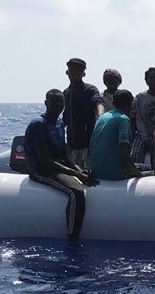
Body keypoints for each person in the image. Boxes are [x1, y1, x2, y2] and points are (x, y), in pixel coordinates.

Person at [24, 89, 99, 243]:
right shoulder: (38, 124)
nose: (58, 105)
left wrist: (79, 170)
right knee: (76, 193)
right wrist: (77, 175)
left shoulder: (58, 124)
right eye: (54, 101)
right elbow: (45, 161)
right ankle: (72, 237)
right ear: (46, 103)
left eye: (61, 102)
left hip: (57, 167)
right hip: (41, 170)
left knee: (89, 175)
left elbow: (65, 155)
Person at [88, 89, 147, 181]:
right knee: (149, 168)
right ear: (131, 104)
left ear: (113, 102)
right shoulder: (123, 119)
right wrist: (138, 174)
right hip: (115, 174)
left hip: (96, 171)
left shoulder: (101, 118)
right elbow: (123, 150)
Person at [63, 58, 105, 170]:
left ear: (84, 74)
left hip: (88, 144)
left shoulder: (90, 89)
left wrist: (101, 115)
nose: (75, 73)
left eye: (79, 71)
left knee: (91, 173)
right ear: (67, 72)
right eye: (72, 70)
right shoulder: (66, 93)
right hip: (72, 144)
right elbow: (65, 117)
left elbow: (99, 101)